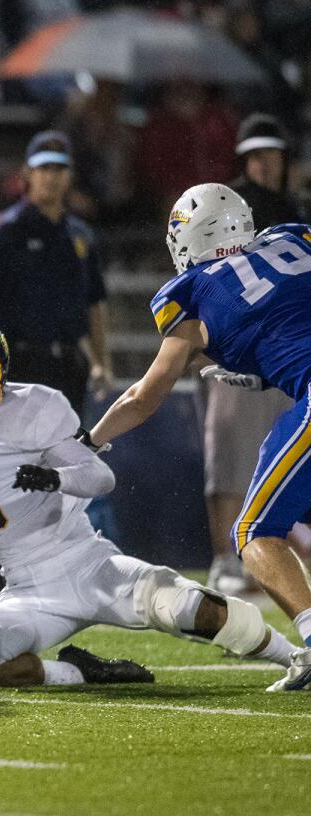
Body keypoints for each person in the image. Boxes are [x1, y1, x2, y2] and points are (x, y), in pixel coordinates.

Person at [0, 317, 298, 687]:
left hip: (89, 564)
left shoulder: (33, 407)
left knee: (192, 609)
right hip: (27, 589)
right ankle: (82, 673)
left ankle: (293, 655)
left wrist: (55, 478)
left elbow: (101, 477)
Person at [89, 183, 311, 692]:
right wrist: (265, 370)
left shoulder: (191, 293)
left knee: (255, 533)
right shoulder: (294, 239)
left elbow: (144, 396)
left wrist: (91, 439)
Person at [204, 114, 302, 593]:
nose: (266, 164)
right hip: (242, 349)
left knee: (280, 454)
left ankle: (269, 548)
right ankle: (226, 558)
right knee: (229, 451)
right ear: (245, 159)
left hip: (290, 356)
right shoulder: (226, 206)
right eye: (257, 155)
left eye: (273, 155)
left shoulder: (295, 207)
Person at [0, 131, 111, 413]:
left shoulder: (80, 236)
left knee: (68, 448)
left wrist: (101, 362)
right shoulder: (3, 233)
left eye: (59, 168)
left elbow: (95, 302)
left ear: (70, 175)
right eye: (44, 168)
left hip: (69, 361)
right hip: (18, 362)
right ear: (28, 173)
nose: (52, 176)